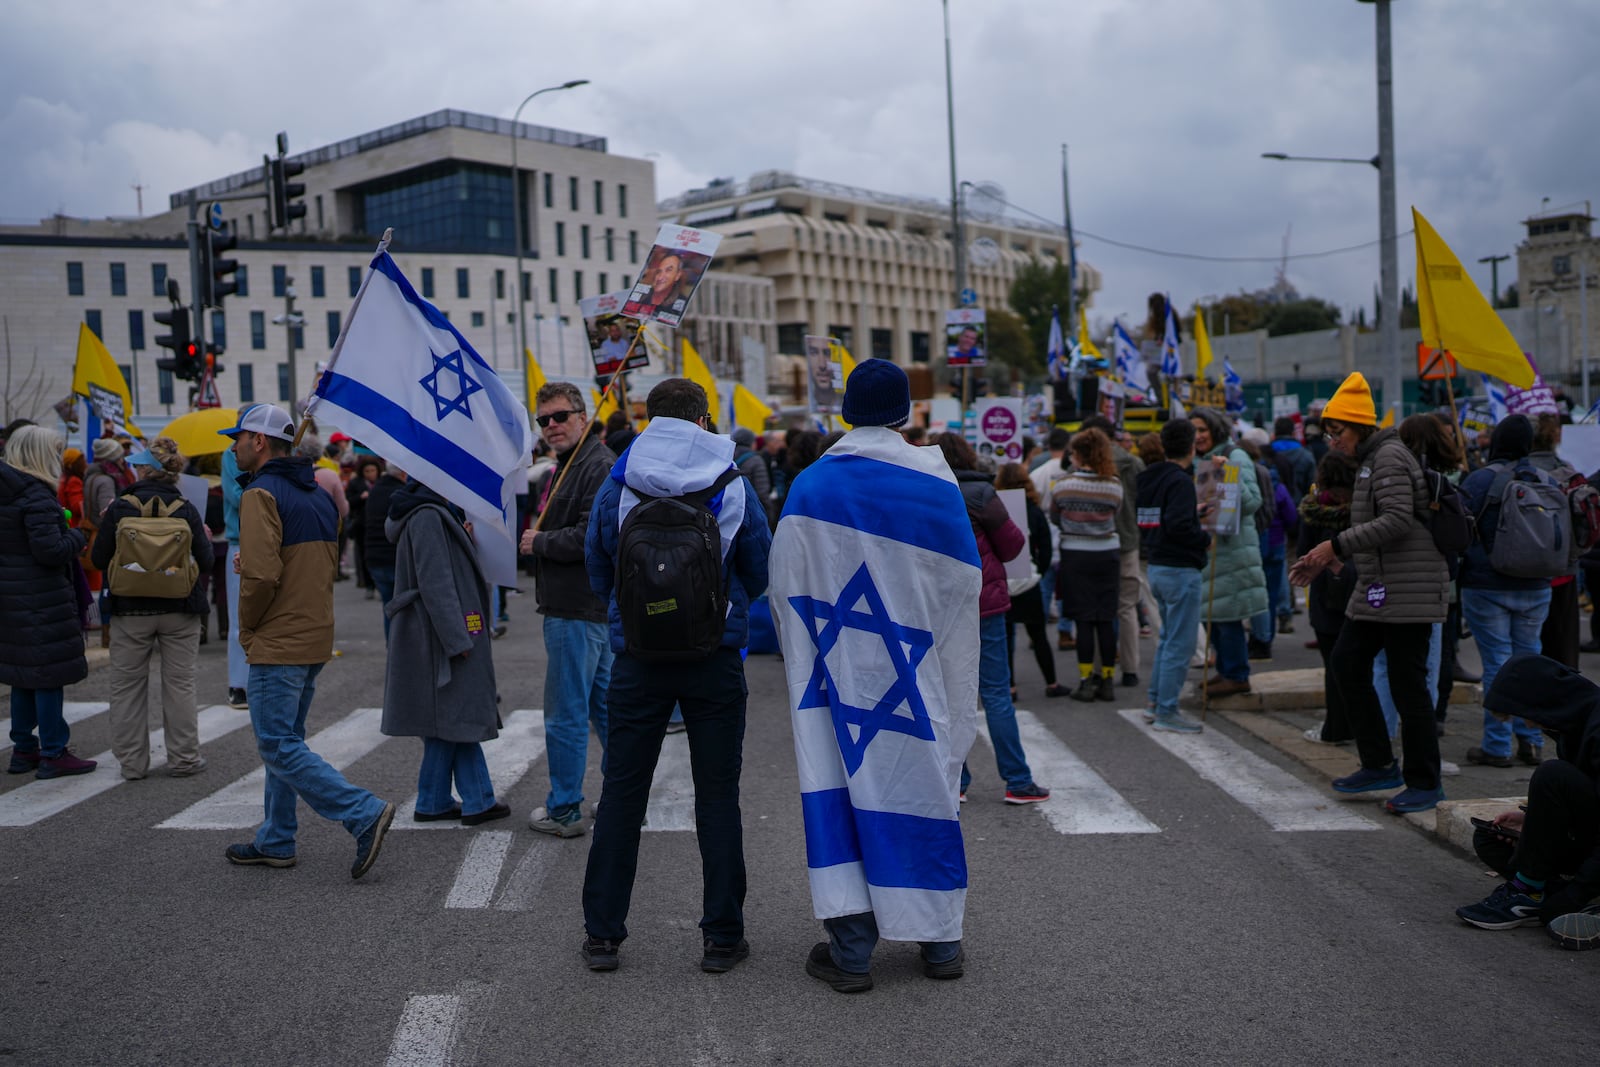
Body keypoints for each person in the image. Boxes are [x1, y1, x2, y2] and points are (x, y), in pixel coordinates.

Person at [768, 358, 976, 991]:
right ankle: (940, 943)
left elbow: (785, 586)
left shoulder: (812, 486)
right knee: (924, 788)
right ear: (906, 412)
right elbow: (960, 588)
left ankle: (852, 952)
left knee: (841, 790)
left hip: (837, 675)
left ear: (846, 413)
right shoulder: (938, 487)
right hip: (917, 669)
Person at [579, 378, 771, 974]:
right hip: (713, 657)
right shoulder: (731, 479)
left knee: (621, 794)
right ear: (704, 418)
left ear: (648, 418)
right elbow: (759, 567)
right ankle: (721, 938)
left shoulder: (621, 479)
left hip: (637, 659)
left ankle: (603, 937)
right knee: (717, 795)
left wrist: (635, 615)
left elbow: (597, 565)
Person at [219, 404, 395, 877]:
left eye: (238, 437)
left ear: (259, 441)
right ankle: (276, 839)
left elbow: (260, 577)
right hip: (315, 632)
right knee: (287, 740)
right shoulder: (318, 493)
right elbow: (311, 564)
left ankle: (363, 812)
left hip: (279, 637)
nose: (232, 446)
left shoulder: (260, 494)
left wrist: (248, 628)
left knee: (276, 744)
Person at [1292, 373, 1448, 814]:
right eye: (1328, 431)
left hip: (1411, 588)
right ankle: (1379, 762)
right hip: (1380, 586)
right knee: (1347, 663)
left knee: (1408, 684)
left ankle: (1424, 782)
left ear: (1358, 426)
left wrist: (1334, 546)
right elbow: (1380, 527)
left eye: (1336, 430)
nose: (1331, 440)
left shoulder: (1390, 458)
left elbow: (1398, 519)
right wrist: (1336, 559)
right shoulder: (1369, 460)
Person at [381, 477, 509, 825]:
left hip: (437, 631)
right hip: (442, 634)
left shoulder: (431, 512)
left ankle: (437, 798)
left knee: (451, 716)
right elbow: (435, 581)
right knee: (455, 715)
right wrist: (457, 640)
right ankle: (473, 799)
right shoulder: (428, 515)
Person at [520, 383, 615, 838]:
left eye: (560, 416)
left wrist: (539, 542)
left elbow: (590, 537)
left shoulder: (595, 466)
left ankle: (564, 810)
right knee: (605, 714)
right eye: (544, 420)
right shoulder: (571, 465)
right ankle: (621, 801)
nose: (552, 426)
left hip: (576, 608)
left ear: (583, 416)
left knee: (566, 716)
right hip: (583, 607)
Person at [1454, 655, 1600, 949]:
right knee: (1490, 839)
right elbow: (1586, 801)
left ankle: (1531, 890)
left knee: (1552, 774)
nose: (1525, 721)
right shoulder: (1573, 724)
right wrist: (1533, 820)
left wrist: (1577, 892)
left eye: (1523, 712)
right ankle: (1539, 895)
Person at [934, 432, 1049, 803]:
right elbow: (1014, 544)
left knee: (947, 694)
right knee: (996, 693)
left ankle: (957, 780)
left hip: (938, 605)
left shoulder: (925, 491)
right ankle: (1017, 780)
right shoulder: (983, 493)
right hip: (984, 603)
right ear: (968, 456)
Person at [89, 437, 213, 779]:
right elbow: (205, 562)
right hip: (180, 606)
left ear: (145, 469)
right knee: (180, 684)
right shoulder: (186, 508)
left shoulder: (120, 507)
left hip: (130, 609)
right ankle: (184, 758)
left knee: (127, 686)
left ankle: (132, 764)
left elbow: (99, 559)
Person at [1459, 415, 1556, 768]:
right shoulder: (1546, 480)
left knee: (1497, 664)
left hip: (1486, 586)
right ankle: (1532, 742)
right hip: (1536, 585)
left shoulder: (1480, 479)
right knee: (1530, 661)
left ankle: (1496, 746)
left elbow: (1460, 530)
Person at [2, 425, 95, 779]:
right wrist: (75, 537)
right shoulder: (36, 497)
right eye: (54, 453)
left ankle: (23, 749)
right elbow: (50, 550)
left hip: (11, 595)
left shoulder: (8, 493)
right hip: (40, 596)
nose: (58, 460)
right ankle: (54, 750)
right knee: (47, 676)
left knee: (23, 675)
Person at [1136, 419, 1209, 733]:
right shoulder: (1180, 480)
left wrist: (1193, 512)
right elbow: (1178, 525)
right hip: (1180, 568)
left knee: (1167, 640)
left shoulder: (1147, 477)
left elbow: (1161, 518)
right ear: (1192, 446)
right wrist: (1203, 537)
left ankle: (1155, 702)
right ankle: (1167, 710)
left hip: (1156, 564)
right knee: (1180, 644)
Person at [1190, 407, 1267, 697]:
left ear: (1216, 430)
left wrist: (1227, 474)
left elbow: (1252, 502)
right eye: (1193, 431)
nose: (1197, 436)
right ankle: (1225, 670)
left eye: (1202, 430)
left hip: (1231, 552)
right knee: (1213, 615)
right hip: (1211, 551)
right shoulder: (1200, 461)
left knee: (1227, 615)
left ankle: (1236, 674)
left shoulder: (1235, 457)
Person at [1051, 428, 1125, 702]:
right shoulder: (1114, 485)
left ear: (1079, 454)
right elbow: (1116, 513)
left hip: (1075, 555)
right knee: (1105, 618)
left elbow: (1056, 517)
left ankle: (1085, 681)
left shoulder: (1063, 485)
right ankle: (1107, 680)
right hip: (1107, 554)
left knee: (1083, 619)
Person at [1298, 451, 1360, 745]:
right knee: (1355, 666)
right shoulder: (1365, 508)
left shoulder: (1314, 510)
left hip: (1326, 595)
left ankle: (1335, 729)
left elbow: (1303, 549)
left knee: (1334, 664)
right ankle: (1348, 727)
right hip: (1358, 593)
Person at [1081, 415, 1145, 688]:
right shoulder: (1133, 462)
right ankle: (1130, 669)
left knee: (1095, 610)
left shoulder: (1087, 464)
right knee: (1127, 608)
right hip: (1128, 541)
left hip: (1095, 543)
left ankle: (1098, 669)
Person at [996, 463, 1066, 700]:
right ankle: (1052, 683)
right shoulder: (1033, 510)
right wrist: (1038, 572)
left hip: (1003, 581)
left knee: (1005, 638)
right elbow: (1045, 547)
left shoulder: (996, 508)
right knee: (1039, 636)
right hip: (1029, 581)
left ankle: (1011, 686)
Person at [1529, 413, 1582, 670]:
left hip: (1522, 572)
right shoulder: (1567, 474)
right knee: (1563, 650)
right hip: (1563, 572)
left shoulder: (1515, 474)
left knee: (1529, 647)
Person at [1029, 427, 1075, 650]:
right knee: (1066, 588)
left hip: (1046, 531)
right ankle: (1065, 632)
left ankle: (1037, 630)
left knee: (1045, 586)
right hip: (1068, 531)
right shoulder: (1072, 470)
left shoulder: (1039, 472)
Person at [221, 434, 250, 708]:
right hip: (240, 540)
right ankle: (239, 683)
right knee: (239, 616)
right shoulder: (231, 456)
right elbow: (236, 497)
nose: (232, 445)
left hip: (272, 540)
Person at [364, 461, 408, 641]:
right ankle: (401, 651)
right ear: (404, 474)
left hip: (374, 557)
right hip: (394, 556)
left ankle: (392, 648)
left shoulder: (375, 491)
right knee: (404, 609)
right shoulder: (401, 494)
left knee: (388, 605)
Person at [345, 457, 383, 598]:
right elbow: (348, 501)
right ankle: (368, 584)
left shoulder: (382, 483)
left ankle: (378, 583)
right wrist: (360, 497)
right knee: (364, 556)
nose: (370, 473)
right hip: (362, 525)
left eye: (373, 470)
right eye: (367, 471)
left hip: (378, 525)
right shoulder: (356, 483)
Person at [731, 427, 771, 504]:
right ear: (751, 442)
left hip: (733, 504)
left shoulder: (728, 457)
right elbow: (762, 491)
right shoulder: (756, 460)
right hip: (751, 505)